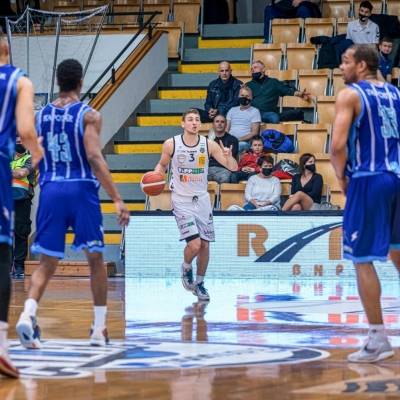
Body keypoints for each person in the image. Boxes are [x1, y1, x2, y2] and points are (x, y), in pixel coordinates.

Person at [15, 59, 130, 350]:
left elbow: (34, 149)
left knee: (46, 262)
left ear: (58, 81)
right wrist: (117, 198)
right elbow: (93, 156)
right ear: (80, 82)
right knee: (95, 259)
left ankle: (28, 314)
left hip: (51, 190)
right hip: (80, 189)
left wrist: (32, 167)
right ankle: (99, 328)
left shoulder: (41, 115)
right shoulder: (89, 115)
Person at [331, 44, 400, 363]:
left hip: (369, 179)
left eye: (346, 61)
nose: (341, 66)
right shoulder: (395, 93)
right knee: (397, 253)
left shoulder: (350, 95)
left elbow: (337, 146)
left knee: (361, 259)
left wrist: (342, 178)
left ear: (361, 65)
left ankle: (377, 338)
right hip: (397, 176)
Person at [154, 109, 238, 301]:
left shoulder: (209, 145)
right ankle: (186, 267)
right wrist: (157, 175)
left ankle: (199, 283)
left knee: (205, 245)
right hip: (181, 200)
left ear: (200, 124)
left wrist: (228, 156)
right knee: (195, 244)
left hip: (202, 200)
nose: (194, 123)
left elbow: (233, 167)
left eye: (197, 120)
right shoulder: (171, 144)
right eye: (190, 119)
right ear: (182, 123)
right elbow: (162, 165)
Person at [0, 28, 43, 378]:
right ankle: (1, 346)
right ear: (6, 47)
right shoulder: (19, 81)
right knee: (3, 253)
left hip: (16, 188)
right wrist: (39, 155)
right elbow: (27, 131)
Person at [11, 138, 35, 279]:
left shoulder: (30, 158)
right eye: (17, 140)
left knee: (21, 232)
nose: (19, 142)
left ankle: (19, 266)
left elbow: (21, 174)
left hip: (22, 201)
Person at [226, 86, 261, 153]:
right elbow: (226, 129)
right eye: (242, 95)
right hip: (230, 140)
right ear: (238, 96)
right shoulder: (232, 110)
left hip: (245, 142)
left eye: (247, 96)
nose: (244, 97)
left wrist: (238, 140)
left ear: (251, 98)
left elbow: (254, 132)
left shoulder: (255, 111)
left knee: (238, 146)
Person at [208, 114, 239, 184]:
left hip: (223, 169)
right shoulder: (206, 139)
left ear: (226, 125)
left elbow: (231, 161)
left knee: (226, 177)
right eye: (217, 121)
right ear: (213, 124)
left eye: (222, 122)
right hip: (206, 169)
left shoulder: (233, 140)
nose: (219, 124)